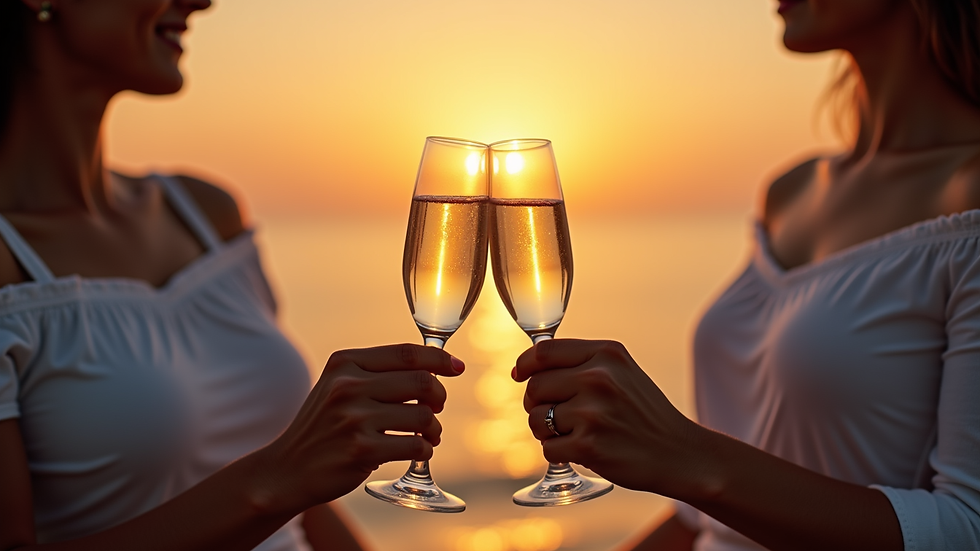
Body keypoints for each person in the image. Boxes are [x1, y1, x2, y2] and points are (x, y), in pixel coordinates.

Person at [513, 1, 980, 550]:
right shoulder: (793, 192)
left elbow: (966, 529)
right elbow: (707, 517)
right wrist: (687, 467)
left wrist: (682, 454)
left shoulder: (967, 203)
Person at [0, 1, 465, 550]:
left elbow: (303, 510)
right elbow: (281, 481)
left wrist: (290, 478)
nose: (200, 1)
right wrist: (274, 478)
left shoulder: (206, 215)